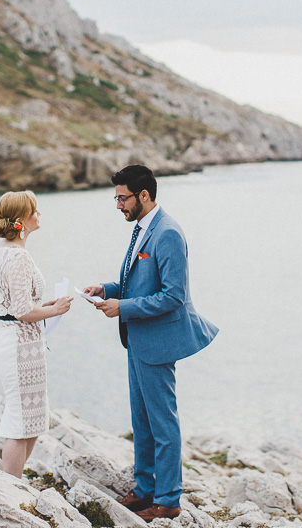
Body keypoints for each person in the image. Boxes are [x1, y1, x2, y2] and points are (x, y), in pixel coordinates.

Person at [83, 165, 218, 522]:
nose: (118, 206)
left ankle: (169, 499)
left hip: (158, 343)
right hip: (138, 340)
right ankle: (144, 490)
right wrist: (108, 289)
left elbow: (173, 296)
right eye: (116, 199)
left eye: (122, 198)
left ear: (144, 195)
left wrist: (122, 307)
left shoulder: (169, 232)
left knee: (163, 425)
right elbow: (139, 281)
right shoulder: (143, 228)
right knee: (141, 422)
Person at [0, 190, 73, 477]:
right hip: (19, 347)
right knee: (20, 421)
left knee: (33, 419)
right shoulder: (18, 257)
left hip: (12, 340)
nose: (39, 215)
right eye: (35, 210)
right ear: (22, 219)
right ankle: (9, 489)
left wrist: (45, 305)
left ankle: (14, 483)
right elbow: (23, 311)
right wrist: (57, 309)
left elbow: (15, 305)